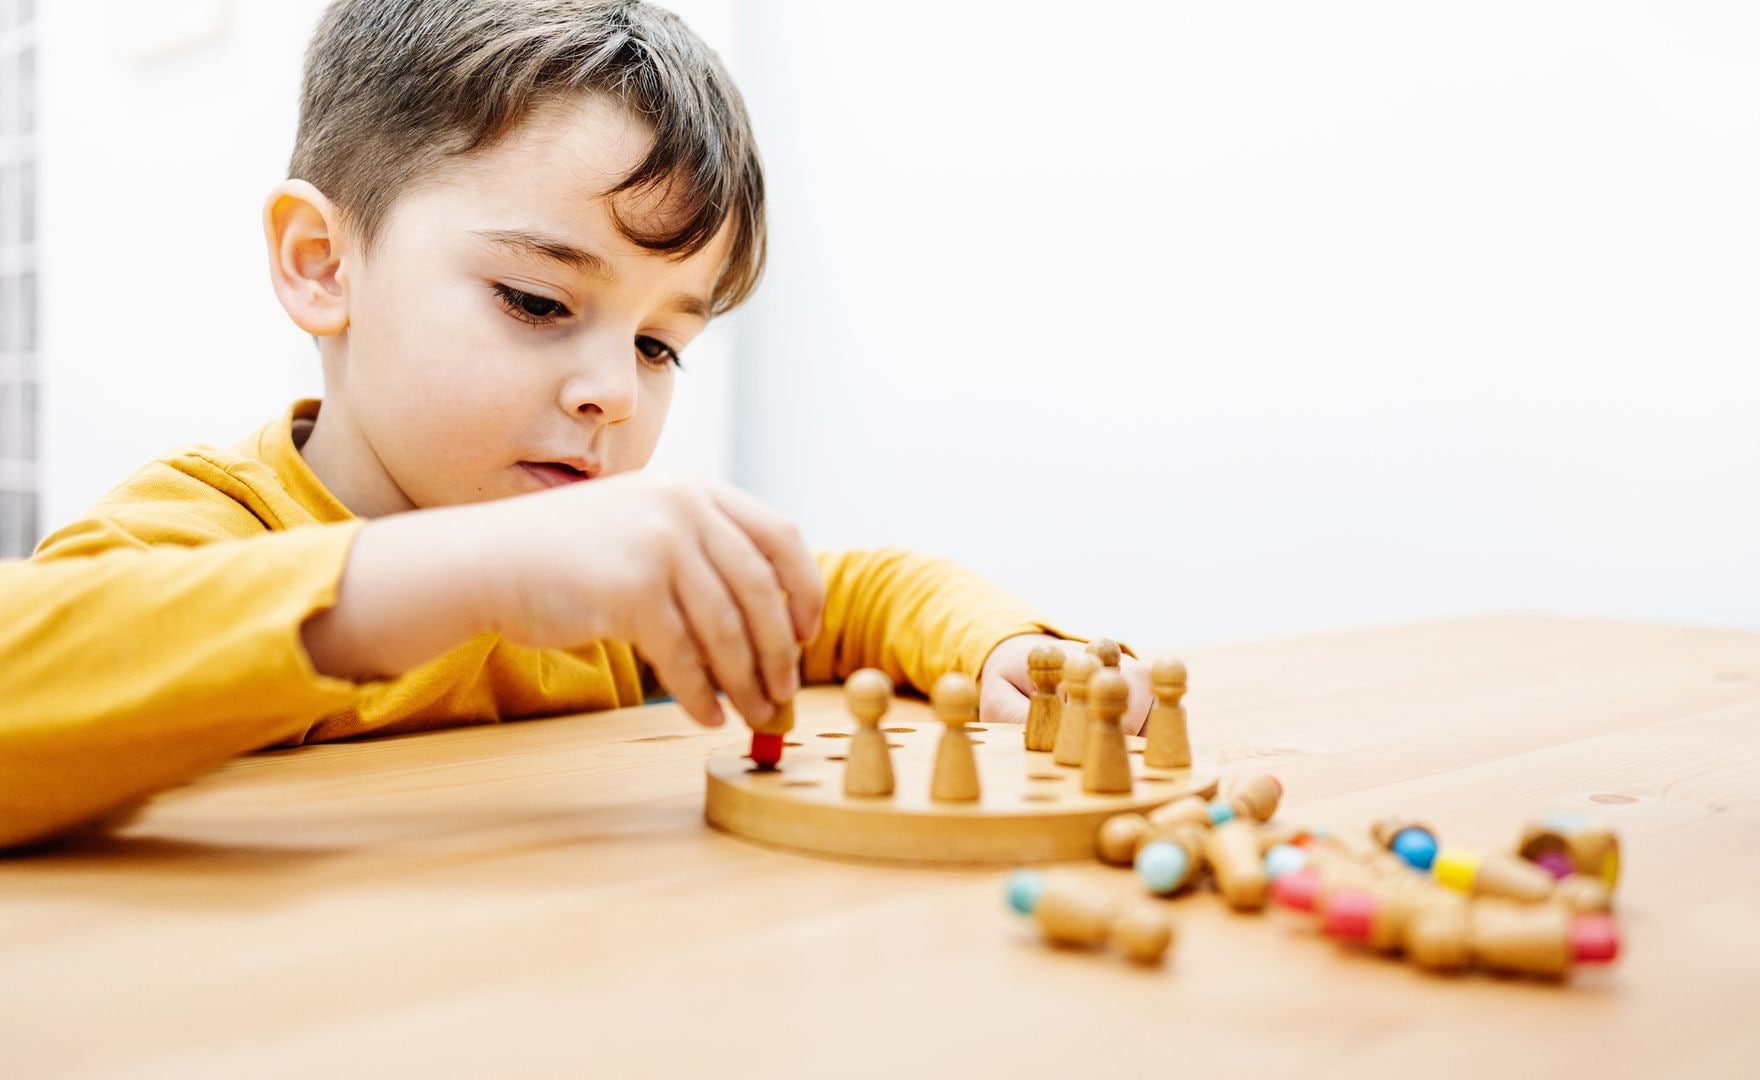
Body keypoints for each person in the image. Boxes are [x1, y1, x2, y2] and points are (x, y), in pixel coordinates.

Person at [1, 0, 1151, 852]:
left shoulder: (584, 551)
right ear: (322, 264)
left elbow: (840, 596)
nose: (615, 392)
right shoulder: (211, 525)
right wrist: (475, 572)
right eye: (538, 302)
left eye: (660, 346)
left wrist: (1002, 647)